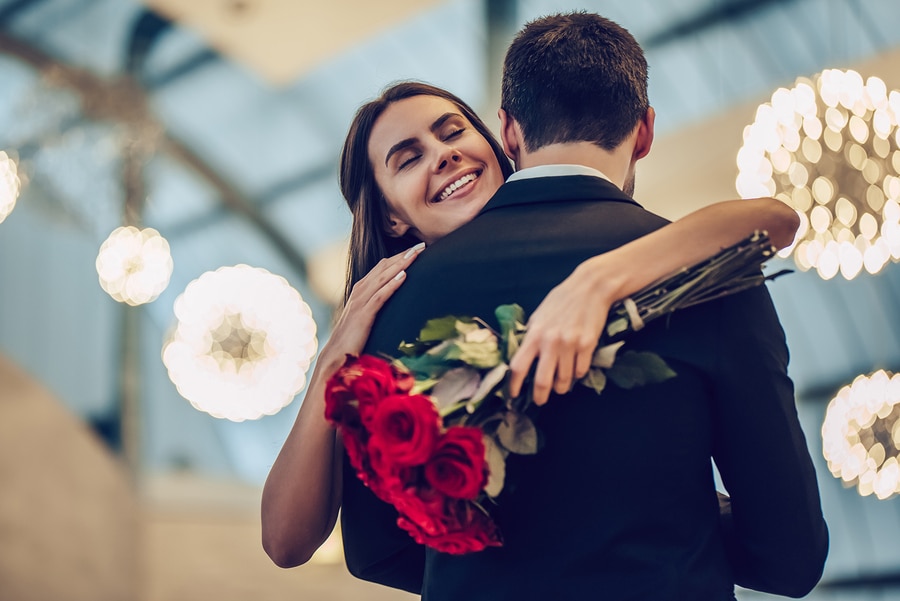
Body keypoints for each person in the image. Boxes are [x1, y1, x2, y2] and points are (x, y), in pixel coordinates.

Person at [328, 12, 828, 601]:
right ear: (643, 132)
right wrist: (673, 526)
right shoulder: (709, 269)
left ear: (508, 132)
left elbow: (377, 548)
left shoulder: (386, 303)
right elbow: (789, 557)